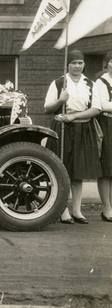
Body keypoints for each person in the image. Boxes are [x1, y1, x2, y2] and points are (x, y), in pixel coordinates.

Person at [44, 49, 102, 224]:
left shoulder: (90, 84)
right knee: (63, 170)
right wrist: (61, 100)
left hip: (83, 129)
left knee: (79, 171)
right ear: (67, 65)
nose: (77, 66)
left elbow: (96, 109)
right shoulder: (58, 83)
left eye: (80, 63)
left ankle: (77, 210)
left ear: (84, 64)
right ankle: (63, 210)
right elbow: (47, 108)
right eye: (73, 63)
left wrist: (75, 116)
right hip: (63, 129)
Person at [94, 50, 112, 222]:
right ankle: (107, 208)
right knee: (106, 168)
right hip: (107, 124)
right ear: (107, 64)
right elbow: (103, 105)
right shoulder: (101, 82)